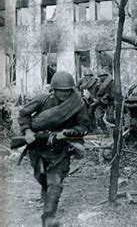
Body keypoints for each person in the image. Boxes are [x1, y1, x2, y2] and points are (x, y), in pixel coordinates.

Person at [18, 71, 90, 227]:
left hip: (60, 148)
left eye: (67, 90)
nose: (64, 93)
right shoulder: (42, 100)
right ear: (53, 90)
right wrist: (28, 131)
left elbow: (84, 125)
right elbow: (23, 113)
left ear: (72, 90)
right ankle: (47, 193)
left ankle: (49, 217)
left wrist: (68, 132)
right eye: (60, 90)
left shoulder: (78, 104)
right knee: (41, 177)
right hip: (38, 147)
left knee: (55, 182)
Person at [76, 68, 100, 133]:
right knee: (85, 114)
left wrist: (96, 98)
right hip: (84, 99)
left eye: (89, 75)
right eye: (86, 75)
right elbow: (76, 88)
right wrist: (81, 94)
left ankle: (94, 128)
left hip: (93, 99)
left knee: (90, 113)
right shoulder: (81, 80)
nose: (87, 77)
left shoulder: (95, 81)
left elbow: (99, 90)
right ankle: (89, 128)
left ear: (91, 75)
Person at [94, 69, 116, 135]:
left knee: (110, 119)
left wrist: (107, 96)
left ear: (106, 76)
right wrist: (95, 99)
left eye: (103, 76)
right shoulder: (98, 83)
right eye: (100, 76)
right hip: (100, 102)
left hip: (109, 102)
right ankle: (105, 131)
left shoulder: (111, 82)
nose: (101, 78)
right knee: (98, 118)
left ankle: (118, 126)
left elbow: (113, 94)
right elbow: (95, 93)